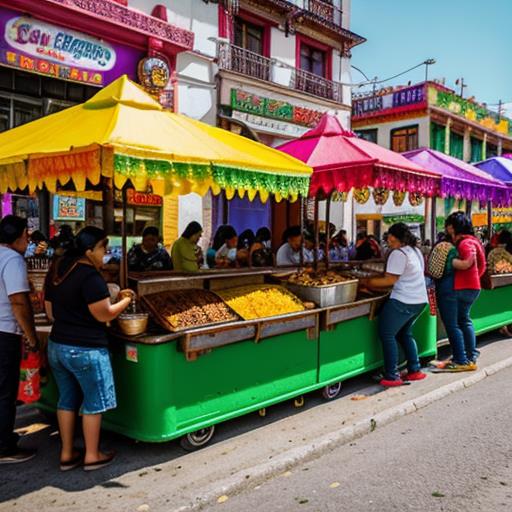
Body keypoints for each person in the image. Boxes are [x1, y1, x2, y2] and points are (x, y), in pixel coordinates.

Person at [44, 227, 135, 471]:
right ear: (88, 250)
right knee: (94, 403)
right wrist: (125, 300)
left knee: (67, 399)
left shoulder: (59, 270)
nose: (105, 254)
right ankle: (92, 455)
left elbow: (50, 311)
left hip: (57, 346)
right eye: (102, 248)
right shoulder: (90, 277)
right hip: (85, 349)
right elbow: (103, 313)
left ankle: (66, 453)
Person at [360, 223, 428, 387]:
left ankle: (392, 375)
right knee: (404, 334)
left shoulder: (398, 253)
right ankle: (414, 369)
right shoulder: (414, 251)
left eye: (390, 236)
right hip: (419, 299)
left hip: (403, 300)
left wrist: (366, 282)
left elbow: (389, 280)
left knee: (386, 333)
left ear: (396, 237)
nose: (388, 239)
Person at [0, 215, 39, 464]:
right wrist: (31, 336)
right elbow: (17, 302)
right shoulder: (13, 259)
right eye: (27, 234)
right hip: (4, 334)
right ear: (21, 234)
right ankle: (4, 448)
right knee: (4, 392)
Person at [441, 212, 486, 369]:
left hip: (462, 288)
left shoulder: (465, 243)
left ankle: (462, 359)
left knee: (455, 324)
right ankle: (470, 355)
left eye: (448, 225)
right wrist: (475, 279)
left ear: (453, 227)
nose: (446, 229)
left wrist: (450, 262)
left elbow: (467, 262)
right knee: (464, 320)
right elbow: (482, 266)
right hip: (472, 287)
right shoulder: (474, 241)